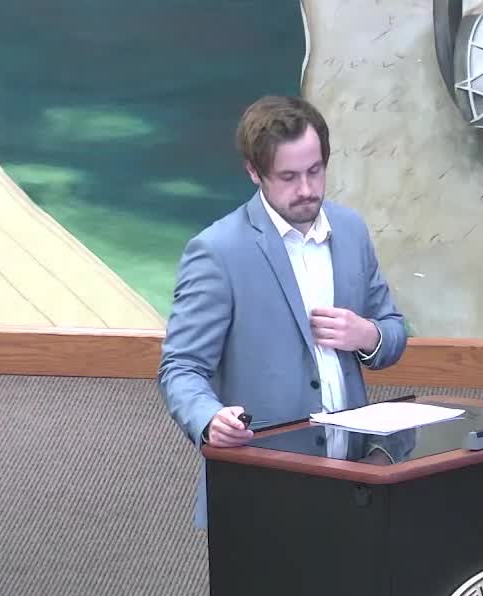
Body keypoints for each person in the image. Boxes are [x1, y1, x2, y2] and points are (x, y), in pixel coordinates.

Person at [158, 95, 408, 528]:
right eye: (289, 177)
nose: (307, 189)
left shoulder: (351, 230)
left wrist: (368, 335)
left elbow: (393, 332)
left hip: (356, 483)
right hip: (262, 490)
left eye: (315, 171)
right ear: (255, 173)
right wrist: (209, 419)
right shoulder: (217, 251)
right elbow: (180, 368)